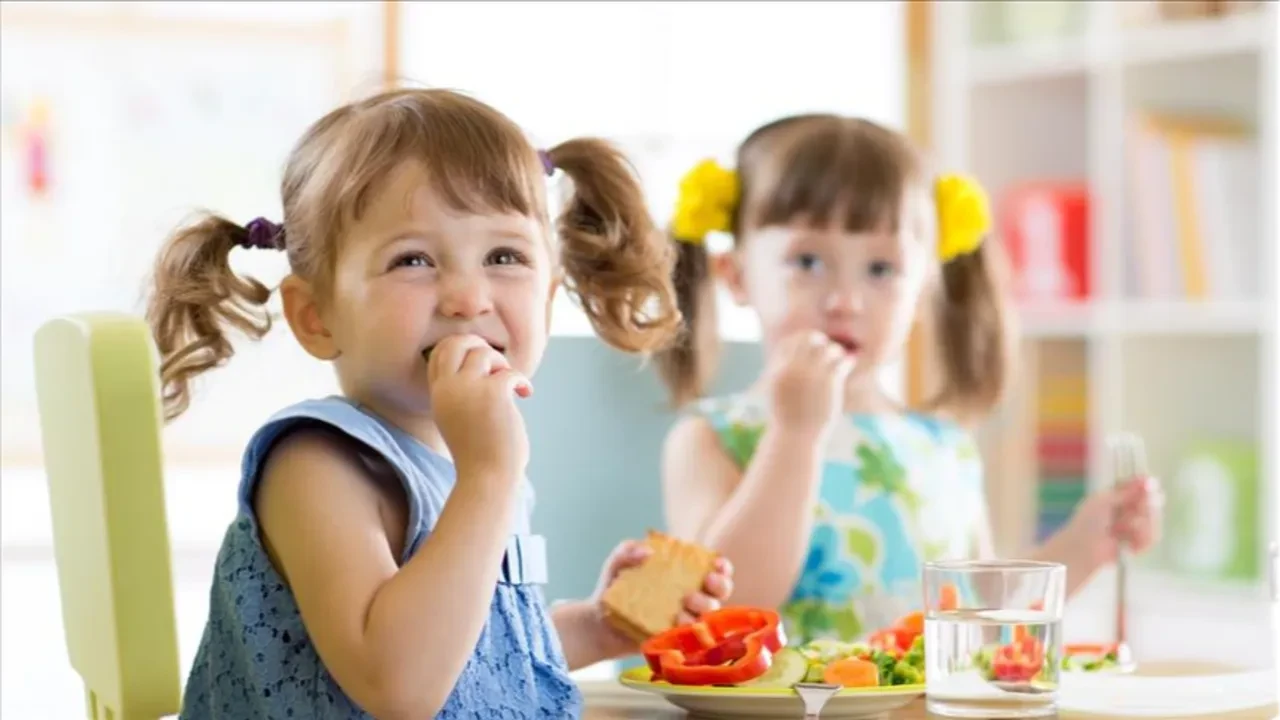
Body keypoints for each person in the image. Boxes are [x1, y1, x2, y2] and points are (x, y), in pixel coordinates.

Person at [146, 88, 733, 719]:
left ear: (546, 296)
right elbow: (399, 686)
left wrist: (595, 628)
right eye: (414, 260)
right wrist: (488, 477)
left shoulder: (474, 464)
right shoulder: (315, 467)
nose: (466, 296)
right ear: (317, 317)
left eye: (504, 256)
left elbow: (473, 669)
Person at [655, 114, 1160, 644]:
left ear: (922, 288)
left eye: (880, 270)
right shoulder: (713, 438)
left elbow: (980, 619)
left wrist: (1083, 546)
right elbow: (722, 614)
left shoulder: (944, 447)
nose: (845, 300)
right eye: (806, 260)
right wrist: (796, 434)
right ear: (736, 275)